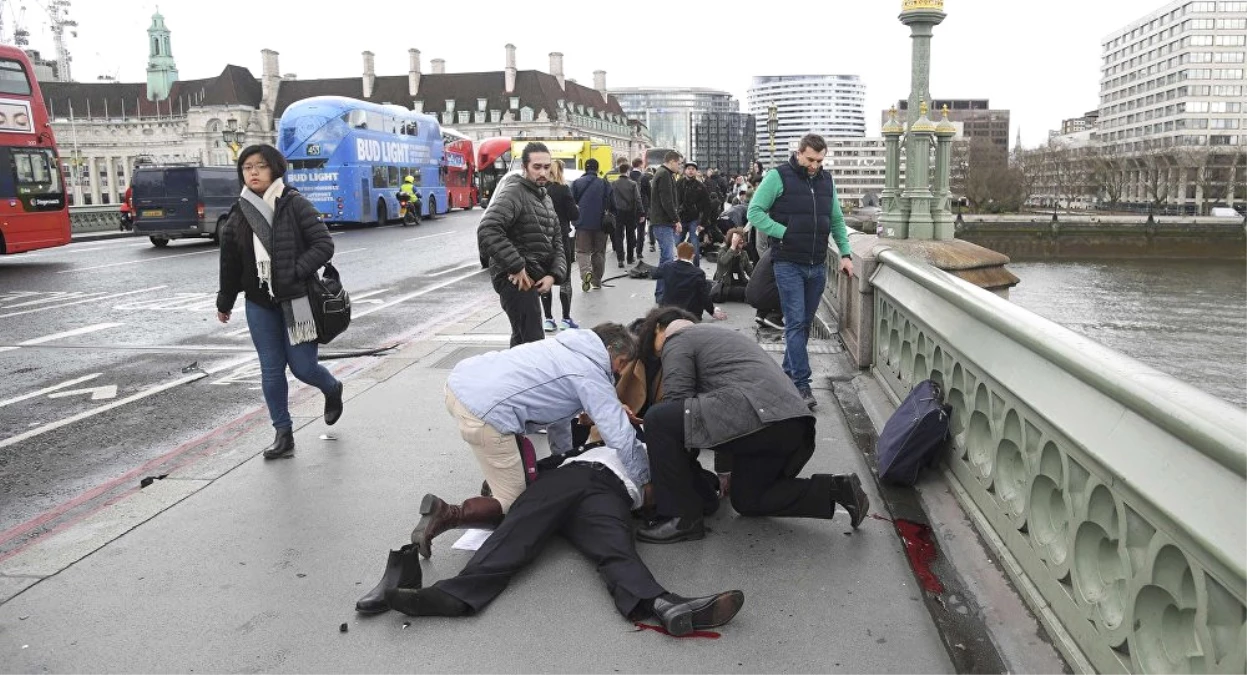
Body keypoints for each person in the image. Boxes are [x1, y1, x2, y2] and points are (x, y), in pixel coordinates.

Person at [365, 443, 745, 638]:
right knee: (518, 532)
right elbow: (528, 474)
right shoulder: (590, 445)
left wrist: (711, 485)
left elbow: (702, 492)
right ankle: (455, 595)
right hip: (570, 477)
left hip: (610, 495)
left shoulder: (668, 454)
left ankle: (662, 603)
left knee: (614, 549)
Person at [411, 323, 647, 558]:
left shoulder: (568, 345)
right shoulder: (590, 372)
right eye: (622, 362)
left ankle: (495, 481)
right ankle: (447, 514)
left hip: (461, 385)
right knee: (515, 505)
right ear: (609, 350)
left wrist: (563, 460)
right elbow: (619, 434)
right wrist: (643, 478)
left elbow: (558, 416)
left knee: (515, 465)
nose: (620, 371)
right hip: (486, 412)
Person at [633, 311, 870, 544]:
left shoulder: (677, 338)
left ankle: (681, 518)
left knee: (658, 419)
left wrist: (677, 474)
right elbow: (717, 410)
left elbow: (679, 405)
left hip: (760, 418)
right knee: (748, 499)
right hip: (790, 425)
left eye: (656, 352)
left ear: (659, 327)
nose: (661, 359)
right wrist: (723, 471)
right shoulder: (716, 338)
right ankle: (836, 489)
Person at [216, 144, 344, 460]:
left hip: (297, 299)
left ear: (274, 168)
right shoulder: (239, 212)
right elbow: (230, 262)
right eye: (247, 167)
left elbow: (323, 245)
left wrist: (295, 272)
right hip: (259, 303)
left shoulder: (294, 204)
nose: (253, 172)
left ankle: (332, 388)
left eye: (260, 165)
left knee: (303, 368)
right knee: (271, 371)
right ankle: (283, 434)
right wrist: (225, 300)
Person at [747, 133, 854, 410]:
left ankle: (786, 372)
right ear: (799, 153)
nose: (815, 165)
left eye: (820, 160)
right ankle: (801, 383)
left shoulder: (826, 180)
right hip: (788, 263)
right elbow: (755, 212)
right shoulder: (777, 177)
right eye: (810, 159)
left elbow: (837, 220)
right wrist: (784, 233)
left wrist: (845, 254)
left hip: (817, 264)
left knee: (804, 324)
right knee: (795, 322)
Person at [477, 142, 566, 347]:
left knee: (522, 342)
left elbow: (557, 240)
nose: (543, 172)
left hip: (534, 278)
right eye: (537, 167)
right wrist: (516, 266)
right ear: (525, 168)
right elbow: (488, 229)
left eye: (546, 167)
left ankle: (513, 378)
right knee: (532, 343)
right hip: (515, 280)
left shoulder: (545, 197)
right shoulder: (515, 192)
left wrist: (553, 274)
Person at [540, 161, 580, 332]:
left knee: (544, 278)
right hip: (561, 238)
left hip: (541, 240)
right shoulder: (563, 189)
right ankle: (565, 318)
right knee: (565, 279)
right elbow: (574, 214)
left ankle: (548, 319)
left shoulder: (539, 191)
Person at [651, 242, 725, 321]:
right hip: (689, 315)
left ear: (678, 254)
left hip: (668, 311)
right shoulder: (698, 273)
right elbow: (704, 296)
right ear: (693, 255)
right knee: (705, 286)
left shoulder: (667, 266)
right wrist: (712, 311)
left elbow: (655, 274)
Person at [571, 158, 613, 291]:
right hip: (601, 224)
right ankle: (597, 281)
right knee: (599, 252)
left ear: (585, 168)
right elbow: (612, 204)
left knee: (582, 251)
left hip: (582, 224)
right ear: (597, 168)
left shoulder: (577, 183)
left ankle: (585, 273)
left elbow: (571, 202)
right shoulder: (605, 184)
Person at [646, 152, 682, 282]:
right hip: (663, 222)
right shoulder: (664, 175)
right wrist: (676, 220)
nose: (679, 166)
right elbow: (667, 201)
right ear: (672, 161)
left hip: (662, 222)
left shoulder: (664, 173)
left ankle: (661, 293)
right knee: (668, 258)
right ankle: (663, 293)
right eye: (679, 163)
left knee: (665, 258)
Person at [676, 161, 711, 267]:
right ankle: (681, 264)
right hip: (681, 218)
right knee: (677, 242)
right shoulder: (678, 183)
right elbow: (673, 200)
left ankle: (696, 268)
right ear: (685, 170)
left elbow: (707, 206)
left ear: (696, 171)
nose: (690, 171)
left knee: (695, 244)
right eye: (689, 169)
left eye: (693, 169)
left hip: (694, 220)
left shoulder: (701, 186)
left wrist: (702, 224)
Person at [610, 161, 643, 268]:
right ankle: (630, 258)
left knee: (618, 236)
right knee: (630, 235)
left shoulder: (614, 183)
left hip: (618, 213)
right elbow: (638, 199)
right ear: (628, 171)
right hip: (630, 212)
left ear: (620, 171)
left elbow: (611, 199)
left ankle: (620, 259)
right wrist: (641, 212)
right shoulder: (633, 184)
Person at [746, 247, 785, 330]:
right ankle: (774, 317)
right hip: (763, 295)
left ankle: (761, 315)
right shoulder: (784, 252)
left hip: (750, 293)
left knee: (769, 284)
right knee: (793, 289)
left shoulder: (771, 250)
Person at [711, 227, 753, 304]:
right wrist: (733, 247)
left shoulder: (744, 254)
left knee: (753, 289)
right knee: (745, 292)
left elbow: (750, 271)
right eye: (739, 242)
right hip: (725, 284)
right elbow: (724, 261)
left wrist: (756, 282)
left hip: (739, 282)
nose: (742, 244)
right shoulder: (723, 251)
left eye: (742, 242)